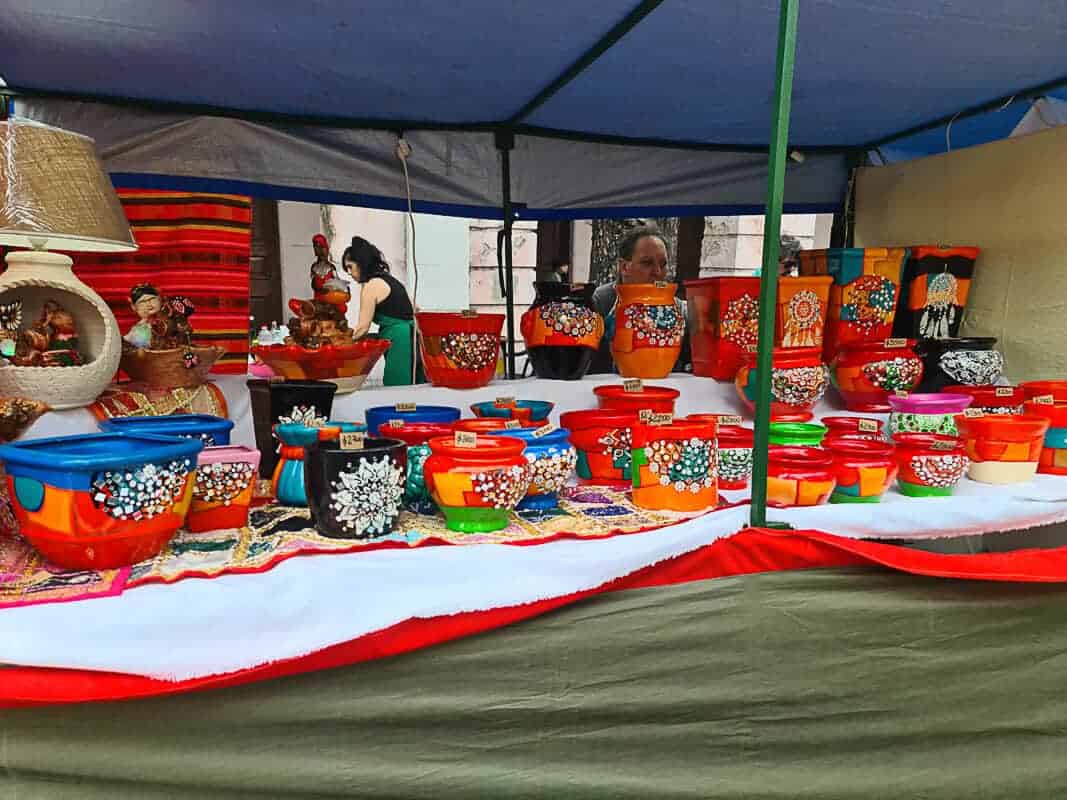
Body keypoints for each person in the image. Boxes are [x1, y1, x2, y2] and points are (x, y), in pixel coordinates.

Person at [589, 225, 688, 374]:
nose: (657, 272)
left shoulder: (677, 307)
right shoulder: (601, 302)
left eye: (663, 264)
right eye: (647, 263)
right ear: (624, 267)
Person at [342, 236, 418, 386]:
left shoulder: (371, 286)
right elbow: (415, 309)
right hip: (413, 336)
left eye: (350, 267)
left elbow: (362, 328)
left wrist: (341, 343)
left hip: (399, 339)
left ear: (361, 263)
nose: (349, 273)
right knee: (416, 385)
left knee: (398, 388)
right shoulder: (391, 280)